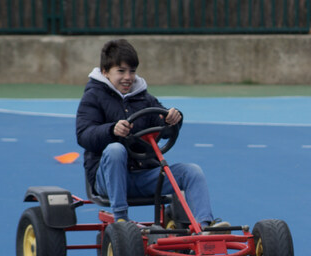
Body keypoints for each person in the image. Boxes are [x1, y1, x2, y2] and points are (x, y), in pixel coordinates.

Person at [76, 39, 228, 230]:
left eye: (132, 71)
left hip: (144, 174)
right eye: (121, 71)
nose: (128, 77)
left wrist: (173, 119)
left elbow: (161, 122)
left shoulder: (144, 98)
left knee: (192, 171)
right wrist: (111, 130)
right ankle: (121, 220)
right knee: (115, 149)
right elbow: (83, 134)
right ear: (105, 72)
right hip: (107, 178)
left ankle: (204, 227)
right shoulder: (94, 96)